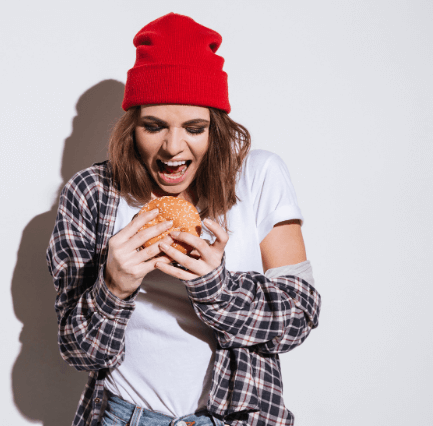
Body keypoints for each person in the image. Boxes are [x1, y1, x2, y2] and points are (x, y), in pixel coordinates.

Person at [46, 12, 321, 426]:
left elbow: (299, 316)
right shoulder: (92, 192)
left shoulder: (260, 175)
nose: (173, 148)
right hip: (124, 416)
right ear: (130, 127)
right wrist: (114, 285)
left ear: (217, 127)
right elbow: (79, 351)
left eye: (194, 128)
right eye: (153, 126)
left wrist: (216, 287)